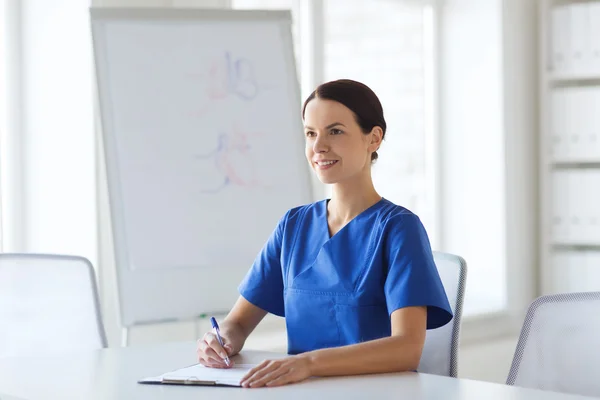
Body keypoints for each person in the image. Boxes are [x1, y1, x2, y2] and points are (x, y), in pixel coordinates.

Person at [196, 79, 453, 388]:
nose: (318, 146)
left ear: (373, 138)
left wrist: (308, 363)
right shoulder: (294, 225)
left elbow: (407, 348)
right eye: (310, 133)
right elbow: (237, 322)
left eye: (335, 131)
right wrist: (220, 340)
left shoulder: (398, 229)